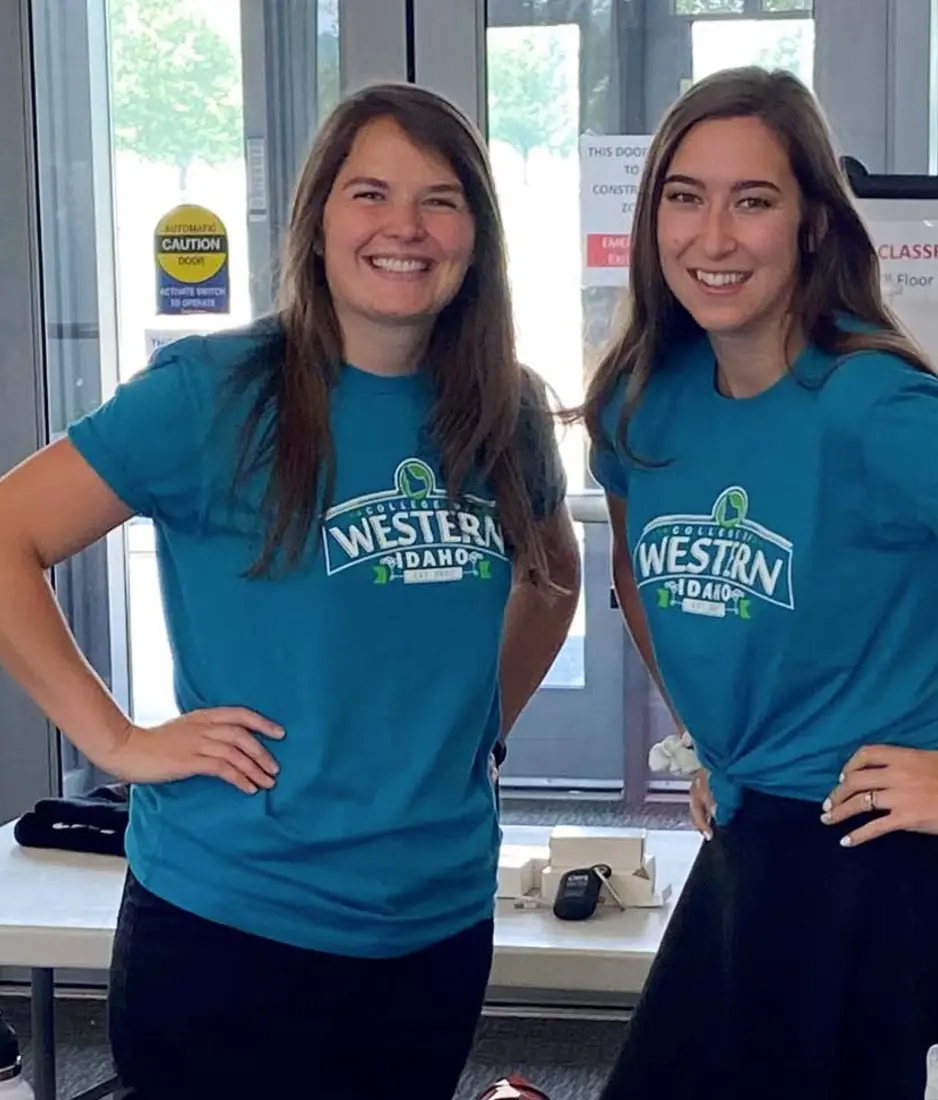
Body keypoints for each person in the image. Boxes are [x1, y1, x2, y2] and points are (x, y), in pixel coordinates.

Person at [0, 83, 579, 1100]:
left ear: (475, 237)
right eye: (370, 193)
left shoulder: (503, 407)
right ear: (317, 219)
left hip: (434, 919)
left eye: (439, 200)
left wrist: (479, 731)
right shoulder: (214, 392)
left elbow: (554, 574)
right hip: (231, 923)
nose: (403, 227)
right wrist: (118, 741)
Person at [578, 66, 938, 1100]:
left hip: (894, 883)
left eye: (752, 200)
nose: (712, 236)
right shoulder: (639, 401)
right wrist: (718, 737)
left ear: (813, 223)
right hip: (748, 862)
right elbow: (638, 579)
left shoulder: (873, 404)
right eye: (683, 196)